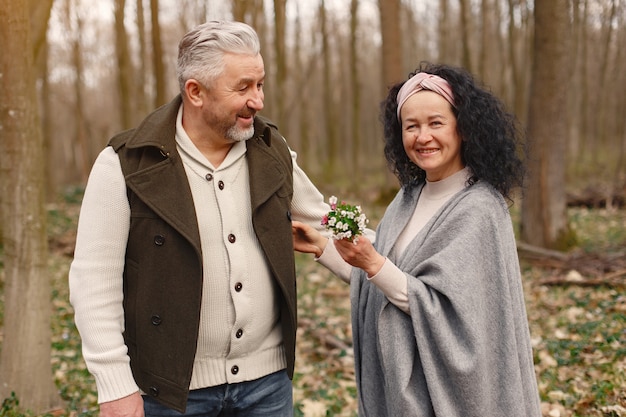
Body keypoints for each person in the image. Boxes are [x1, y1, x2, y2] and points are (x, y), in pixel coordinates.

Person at [69, 21, 331, 417]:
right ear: (195, 91)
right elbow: (94, 282)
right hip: (169, 394)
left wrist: (395, 268)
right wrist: (115, 385)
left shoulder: (270, 149)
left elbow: (331, 227)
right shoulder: (124, 163)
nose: (257, 100)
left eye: (260, 85)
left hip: (268, 386)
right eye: (242, 88)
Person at [292, 62, 542, 416]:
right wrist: (323, 246)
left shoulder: (480, 209)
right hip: (401, 387)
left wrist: (373, 262)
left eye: (436, 123)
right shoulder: (408, 198)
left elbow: (447, 311)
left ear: (464, 129)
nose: (422, 137)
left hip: (453, 393)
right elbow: (385, 281)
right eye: (411, 126)